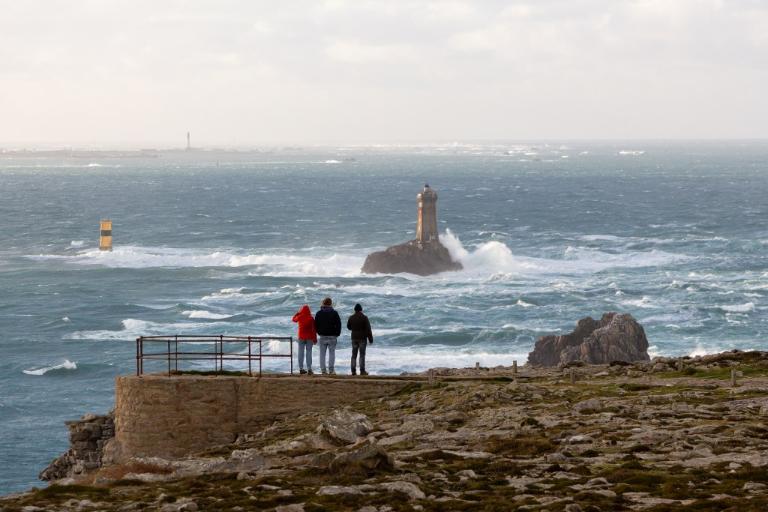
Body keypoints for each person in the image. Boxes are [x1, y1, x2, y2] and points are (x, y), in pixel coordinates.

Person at [314, 297, 341, 375]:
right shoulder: (334, 313)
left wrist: (319, 332)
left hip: (322, 336)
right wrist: (337, 334)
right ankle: (331, 370)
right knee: (332, 353)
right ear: (330, 304)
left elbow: (316, 325)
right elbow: (338, 324)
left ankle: (323, 370)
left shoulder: (319, 313)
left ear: (323, 303)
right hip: (332, 336)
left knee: (322, 354)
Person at [347, 303, 373, 376]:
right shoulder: (364, 317)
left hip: (354, 338)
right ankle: (362, 371)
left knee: (354, 355)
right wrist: (370, 339)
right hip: (362, 338)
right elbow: (368, 329)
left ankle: (353, 371)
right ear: (361, 310)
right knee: (362, 355)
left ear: (354, 310)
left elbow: (348, 327)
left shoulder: (351, 317)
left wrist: (354, 329)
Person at [292, 304, 317, 375]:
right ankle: (309, 369)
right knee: (309, 352)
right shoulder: (311, 318)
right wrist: (315, 339)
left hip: (301, 337)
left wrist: (297, 313)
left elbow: (293, 319)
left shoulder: (300, 317)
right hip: (309, 337)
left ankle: (301, 369)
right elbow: (314, 330)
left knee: (300, 352)